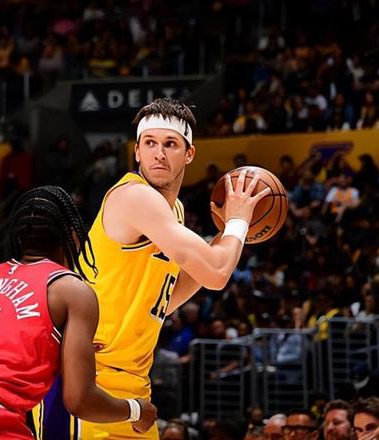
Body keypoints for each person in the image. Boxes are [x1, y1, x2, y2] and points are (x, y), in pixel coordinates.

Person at [41, 97, 270, 439]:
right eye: (149, 143)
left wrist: (225, 234)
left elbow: (164, 300)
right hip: (87, 380)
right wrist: (238, 222)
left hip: (133, 386)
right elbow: (218, 274)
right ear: (136, 151)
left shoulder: (174, 211)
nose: (158, 153)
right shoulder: (135, 197)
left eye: (170, 144)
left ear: (189, 153)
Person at [0, 186, 157, 440]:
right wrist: (136, 410)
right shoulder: (69, 288)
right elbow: (79, 400)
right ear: (74, 235)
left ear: (18, 236)